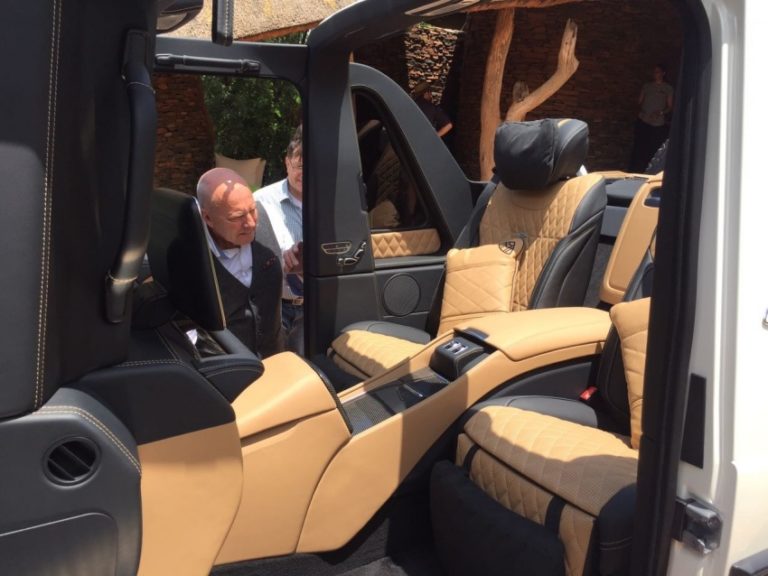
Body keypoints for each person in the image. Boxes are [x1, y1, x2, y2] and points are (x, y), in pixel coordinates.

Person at [196, 167, 284, 357]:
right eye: (236, 217)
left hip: (274, 362)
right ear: (207, 218)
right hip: (224, 368)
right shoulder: (192, 256)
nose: (251, 223)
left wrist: (295, 270)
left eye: (252, 210)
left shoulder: (266, 225)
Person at [255, 126, 305, 355]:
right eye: (300, 166)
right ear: (287, 162)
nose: (305, 173)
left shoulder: (331, 202)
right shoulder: (260, 202)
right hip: (276, 309)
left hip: (315, 308)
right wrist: (276, 261)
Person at [629, 64, 674, 173]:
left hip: (657, 124)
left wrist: (660, 112)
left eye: (658, 72)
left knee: (653, 148)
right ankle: (636, 169)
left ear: (663, 73)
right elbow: (639, 102)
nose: (655, 74)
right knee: (640, 147)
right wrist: (641, 111)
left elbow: (670, 106)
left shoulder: (668, 88)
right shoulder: (647, 86)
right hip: (644, 121)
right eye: (654, 72)